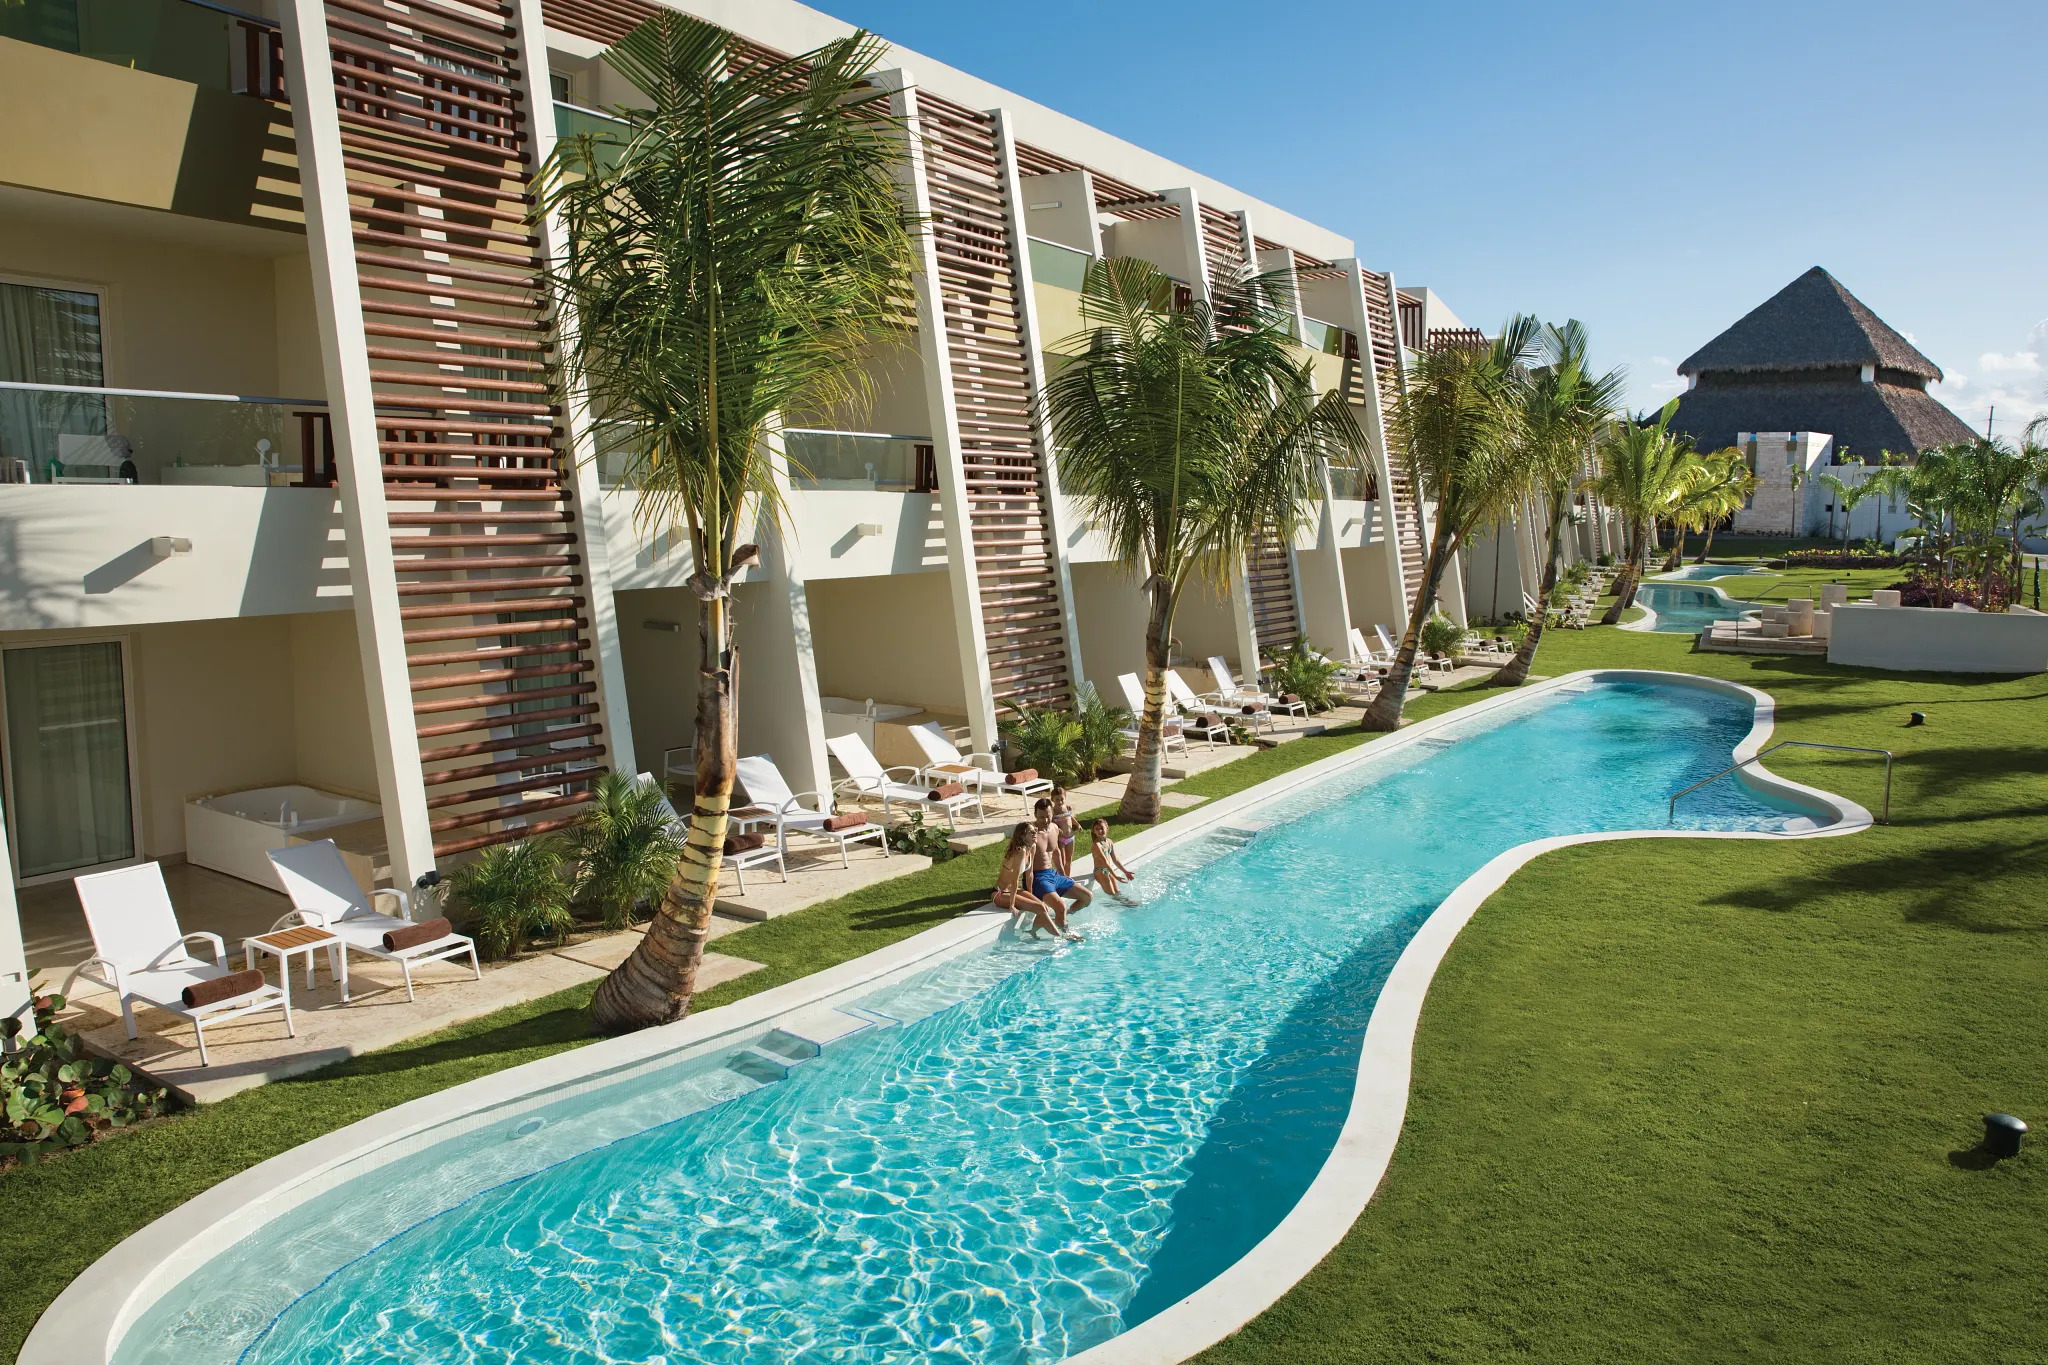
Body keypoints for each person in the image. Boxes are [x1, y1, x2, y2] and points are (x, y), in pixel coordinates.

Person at [993, 822, 1075, 940]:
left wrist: (1030, 894)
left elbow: (1029, 874)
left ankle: (1033, 931)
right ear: (1022, 836)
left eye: (1035, 830)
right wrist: (1011, 905)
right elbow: (1014, 879)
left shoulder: (1032, 847)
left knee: (1044, 907)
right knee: (1040, 908)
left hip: (1015, 891)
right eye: (1031, 832)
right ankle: (1062, 937)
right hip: (1000, 893)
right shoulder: (1020, 851)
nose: (1035, 834)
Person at [1030, 798, 1091, 930]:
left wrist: (1063, 875)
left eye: (1048, 816)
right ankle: (1065, 934)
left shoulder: (1054, 828)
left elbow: (1056, 852)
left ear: (1052, 814)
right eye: (1041, 817)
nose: (1045, 820)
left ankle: (1061, 917)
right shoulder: (1029, 833)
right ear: (1035, 815)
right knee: (1060, 906)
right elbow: (1017, 859)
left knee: (1087, 897)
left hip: (1052, 875)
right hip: (1037, 878)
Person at [1088, 818, 1136, 900]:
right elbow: (1105, 862)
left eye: (1101, 828)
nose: (1100, 831)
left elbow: (1115, 859)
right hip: (1100, 872)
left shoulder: (1109, 842)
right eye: (1097, 829)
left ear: (1107, 828)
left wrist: (1126, 872)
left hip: (1108, 870)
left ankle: (1130, 905)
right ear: (1094, 831)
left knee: (1117, 893)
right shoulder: (1097, 845)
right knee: (1113, 896)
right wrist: (1116, 876)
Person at [1049, 786, 1077, 874]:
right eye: (1057, 799)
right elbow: (1050, 824)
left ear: (1065, 798)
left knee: (1069, 860)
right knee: (1062, 861)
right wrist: (1056, 828)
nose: (1060, 802)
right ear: (1052, 800)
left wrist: (1077, 824)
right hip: (1060, 839)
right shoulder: (1052, 812)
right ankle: (1062, 878)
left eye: (1062, 799)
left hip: (1070, 838)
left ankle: (1068, 878)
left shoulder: (1067, 808)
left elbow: (1070, 818)